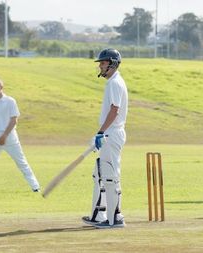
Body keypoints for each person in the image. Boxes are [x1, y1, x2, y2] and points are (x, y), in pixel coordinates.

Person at [81, 48, 128, 229]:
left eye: (103, 62)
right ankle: (98, 215)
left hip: (112, 133)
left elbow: (115, 110)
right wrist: (100, 133)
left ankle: (115, 217)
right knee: (99, 174)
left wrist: (101, 132)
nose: (100, 66)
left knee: (110, 175)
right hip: (109, 132)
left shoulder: (115, 83)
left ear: (112, 64)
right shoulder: (113, 82)